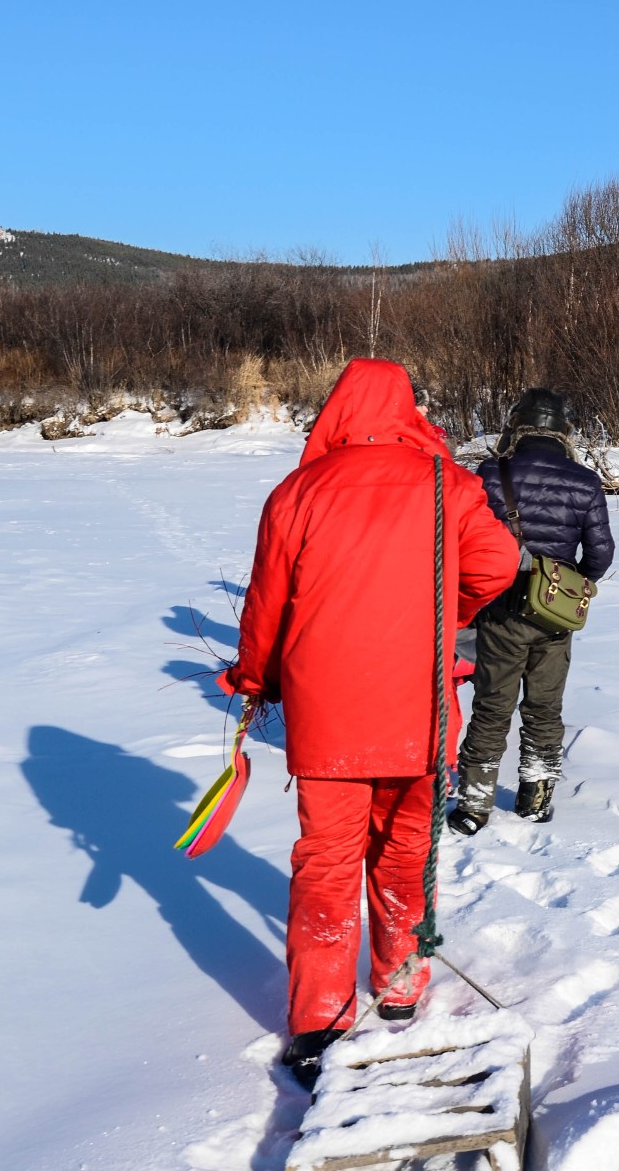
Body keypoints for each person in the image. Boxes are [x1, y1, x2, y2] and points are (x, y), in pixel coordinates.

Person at [219, 359, 519, 1087]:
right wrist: (441, 616)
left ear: (336, 413)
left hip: (328, 718)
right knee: (407, 845)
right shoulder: (450, 484)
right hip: (418, 705)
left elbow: (265, 605)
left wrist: (254, 678)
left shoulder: (297, 492)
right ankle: (402, 981)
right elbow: (500, 564)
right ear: (409, 410)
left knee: (326, 858)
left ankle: (320, 1016)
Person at [450, 388, 615, 834]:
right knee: (545, 706)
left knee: (491, 706)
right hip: (555, 613)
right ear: (564, 431)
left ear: (515, 426)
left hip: (500, 607)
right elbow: (601, 554)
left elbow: (464, 542)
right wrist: (567, 584)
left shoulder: (489, 473)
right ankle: (536, 799)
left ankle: (473, 805)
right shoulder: (584, 481)